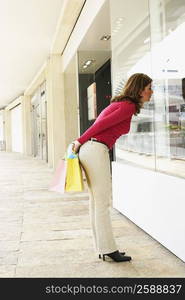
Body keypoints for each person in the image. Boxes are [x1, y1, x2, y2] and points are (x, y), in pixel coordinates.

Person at [72, 73, 153, 262]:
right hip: (95, 149)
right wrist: (79, 140)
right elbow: (100, 125)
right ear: (139, 90)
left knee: (96, 201)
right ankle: (108, 249)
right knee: (102, 202)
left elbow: (101, 124)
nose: (151, 92)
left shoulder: (121, 104)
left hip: (91, 149)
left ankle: (102, 247)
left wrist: (81, 142)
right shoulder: (128, 106)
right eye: (149, 88)